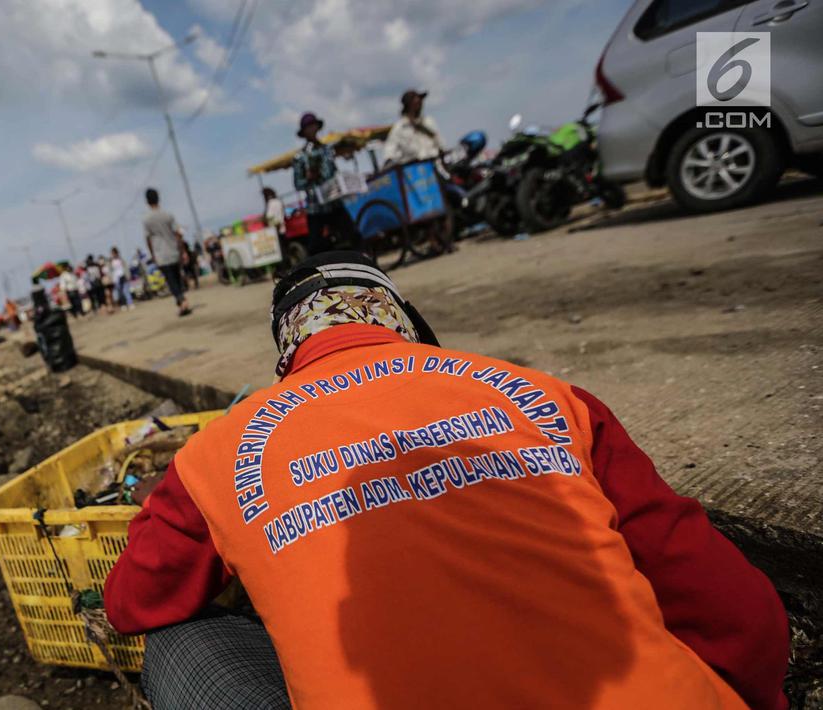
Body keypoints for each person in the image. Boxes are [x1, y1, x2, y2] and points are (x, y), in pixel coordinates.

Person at [105, 251, 789, 710]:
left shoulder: (220, 451)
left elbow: (131, 603)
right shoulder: (543, 395)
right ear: (401, 322)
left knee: (178, 644)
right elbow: (741, 617)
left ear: (289, 347)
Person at [291, 112, 352, 255]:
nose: (312, 129)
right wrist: (309, 178)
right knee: (316, 245)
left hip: (333, 200)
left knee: (350, 234)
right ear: (304, 132)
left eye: (314, 126)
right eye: (308, 127)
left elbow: (334, 172)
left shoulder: (327, 150)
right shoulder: (300, 156)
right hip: (316, 206)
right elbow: (298, 184)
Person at [143, 188, 192, 317]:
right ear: (158, 198)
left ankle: (182, 301)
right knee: (177, 277)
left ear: (147, 201)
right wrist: (183, 251)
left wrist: (153, 254)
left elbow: (148, 239)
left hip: (161, 254)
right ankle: (181, 299)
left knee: (171, 280)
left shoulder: (147, 219)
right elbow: (178, 233)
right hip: (173, 251)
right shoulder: (168, 215)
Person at [381, 88, 446, 167]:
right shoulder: (400, 127)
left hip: (435, 164)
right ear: (409, 105)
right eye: (417, 102)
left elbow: (440, 143)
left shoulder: (428, 121)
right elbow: (390, 149)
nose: (420, 104)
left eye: (420, 102)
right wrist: (389, 161)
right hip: (414, 170)